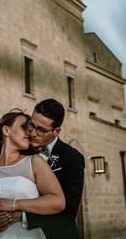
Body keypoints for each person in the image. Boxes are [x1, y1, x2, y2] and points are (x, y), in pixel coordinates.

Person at [0, 110, 64, 238]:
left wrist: (15, 204)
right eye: (25, 127)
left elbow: (58, 201)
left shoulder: (34, 162)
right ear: (6, 130)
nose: (30, 132)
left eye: (31, 128)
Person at [22, 99, 85, 239]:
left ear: (56, 131)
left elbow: (68, 213)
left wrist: (23, 218)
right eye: (32, 125)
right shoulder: (22, 151)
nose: (33, 133)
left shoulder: (72, 158)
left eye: (41, 130)